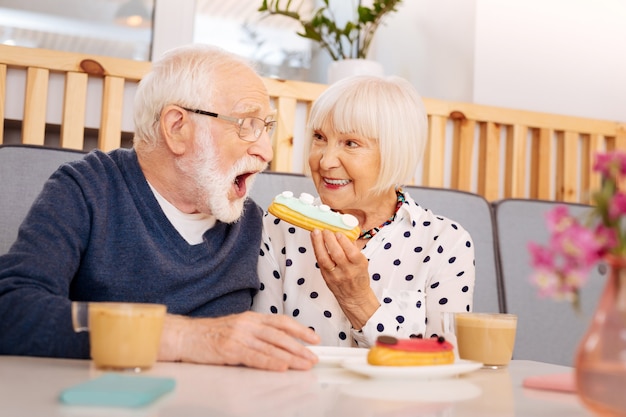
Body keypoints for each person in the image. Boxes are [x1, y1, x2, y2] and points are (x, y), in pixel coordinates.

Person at [0, 44, 319, 371]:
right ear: (177, 127)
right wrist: (185, 338)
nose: (266, 151)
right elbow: (11, 309)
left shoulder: (251, 222)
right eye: (247, 123)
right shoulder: (88, 189)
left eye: (266, 127)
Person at [253, 75, 475, 347]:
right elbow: (263, 345)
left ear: (396, 152)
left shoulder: (446, 242)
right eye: (320, 137)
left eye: (350, 143)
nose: (325, 160)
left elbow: (445, 363)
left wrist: (358, 300)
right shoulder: (278, 228)